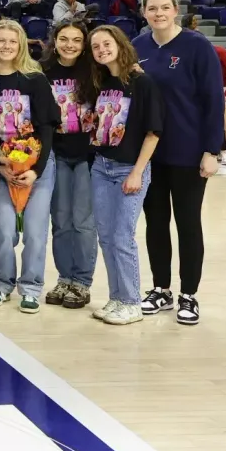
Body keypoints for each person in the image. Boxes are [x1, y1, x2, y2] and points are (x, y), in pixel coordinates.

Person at [131, 0, 223, 325]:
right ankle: (161, 289)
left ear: (175, 11)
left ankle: (189, 294)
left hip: (188, 152)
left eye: (164, 7)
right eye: (152, 8)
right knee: (155, 224)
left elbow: (214, 100)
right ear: (144, 12)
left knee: (187, 223)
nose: (158, 13)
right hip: (150, 153)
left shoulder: (197, 46)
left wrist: (213, 149)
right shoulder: (137, 47)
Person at [0, 20, 58, 314]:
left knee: (36, 233)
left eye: (13, 41)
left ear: (22, 45)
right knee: (3, 229)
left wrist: (35, 170)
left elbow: (47, 128)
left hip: (37, 167)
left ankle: (31, 287)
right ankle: (0, 283)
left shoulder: (34, 79)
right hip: (1, 169)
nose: (6, 46)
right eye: (0, 41)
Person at [88, 25, 163, 325]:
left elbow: (153, 133)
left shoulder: (142, 83)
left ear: (120, 44)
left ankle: (132, 301)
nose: (102, 49)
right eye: (96, 47)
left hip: (129, 170)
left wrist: (137, 172)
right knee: (106, 237)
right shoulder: (103, 82)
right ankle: (116, 298)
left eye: (107, 43)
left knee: (122, 237)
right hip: (101, 167)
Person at [40, 19, 99, 310]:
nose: (70, 45)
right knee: (61, 221)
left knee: (83, 221)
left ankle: (82, 282)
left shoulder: (94, 69)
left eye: (77, 40)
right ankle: (64, 277)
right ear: (55, 40)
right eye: (64, 39)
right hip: (57, 153)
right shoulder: (43, 69)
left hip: (89, 155)